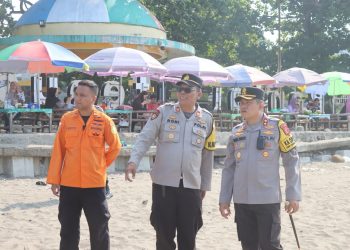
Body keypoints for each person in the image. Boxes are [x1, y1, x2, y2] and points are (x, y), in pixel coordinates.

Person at [125, 74, 216, 250]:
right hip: (164, 185)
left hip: (191, 186)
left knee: (189, 236)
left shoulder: (207, 118)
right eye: (179, 89)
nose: (182, 93)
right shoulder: (164, 112)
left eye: (187, 90)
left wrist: (204, 184)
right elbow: (145, 138)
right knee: (164, 235)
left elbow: (207, 154)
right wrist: (133, 162)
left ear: (199, 93)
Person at [219, 87, 301, 250]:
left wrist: (293, 194)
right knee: (248, 246)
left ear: (261, 104)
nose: (243, 106)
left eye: (248, 102)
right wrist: (224, 199)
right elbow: (229, 168)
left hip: (267, 200)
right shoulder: (236, 132)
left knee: (270, 245)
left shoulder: (278, 127)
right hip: (242, 201)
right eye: (241, 102)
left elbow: (291, 161)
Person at [46, 80, 122, 250]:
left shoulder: (104, 120)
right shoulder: (67, 119)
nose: (77, 98)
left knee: (99, 230)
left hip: (94, 185)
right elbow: (59, 150)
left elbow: (116, 146)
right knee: (68, 231)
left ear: (93, 98)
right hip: (69, 184)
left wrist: (101, 165)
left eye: (82, 95)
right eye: (76, 94)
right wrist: (54, 179)